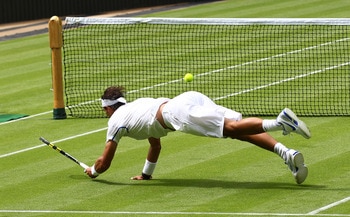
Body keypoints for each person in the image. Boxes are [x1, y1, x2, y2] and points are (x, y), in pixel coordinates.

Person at [85, 86, 311, 184]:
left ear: (108, 108)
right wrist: (146, 174)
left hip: (178, 113)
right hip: (187, 98)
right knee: (238, 129)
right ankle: (287, 154)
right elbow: (155, 146)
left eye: (104, 110)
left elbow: (104, 163)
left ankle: (279, 121)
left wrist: (93, 170)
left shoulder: (115, 120)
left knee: (230, 130)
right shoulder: (136, 107)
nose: (105, 114)